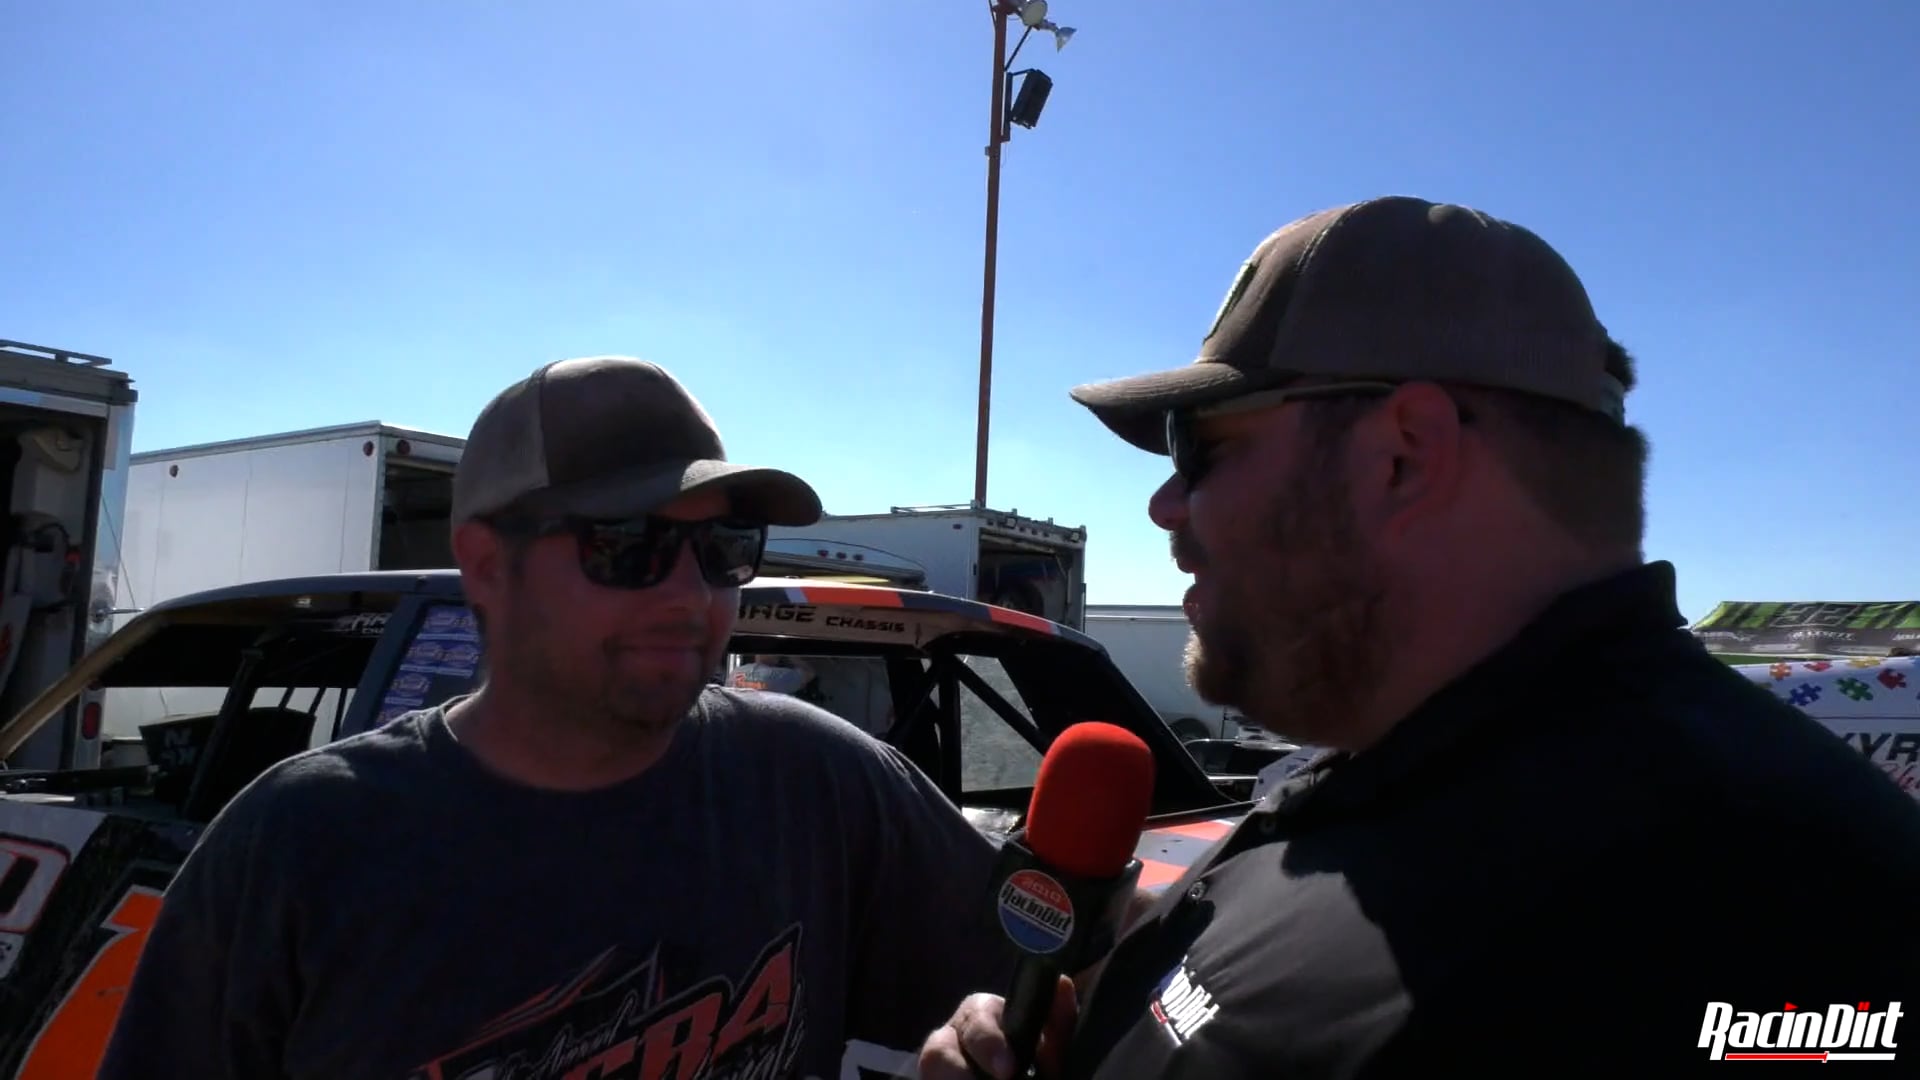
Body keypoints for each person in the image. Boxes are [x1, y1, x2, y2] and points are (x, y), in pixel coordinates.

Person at [919, 195, 1920, 1078]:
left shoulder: (1783, 912)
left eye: (1204, 447)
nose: (1165, 505)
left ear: (1403, 456)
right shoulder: (1362, 791)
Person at [101, 356, 1017, 1080]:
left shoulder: (814, 783)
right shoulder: (297, 845)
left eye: (724, 548)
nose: (690, 595)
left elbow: (1055, 960)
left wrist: (1003, 1017)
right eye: (628, 547)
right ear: (487, 567)